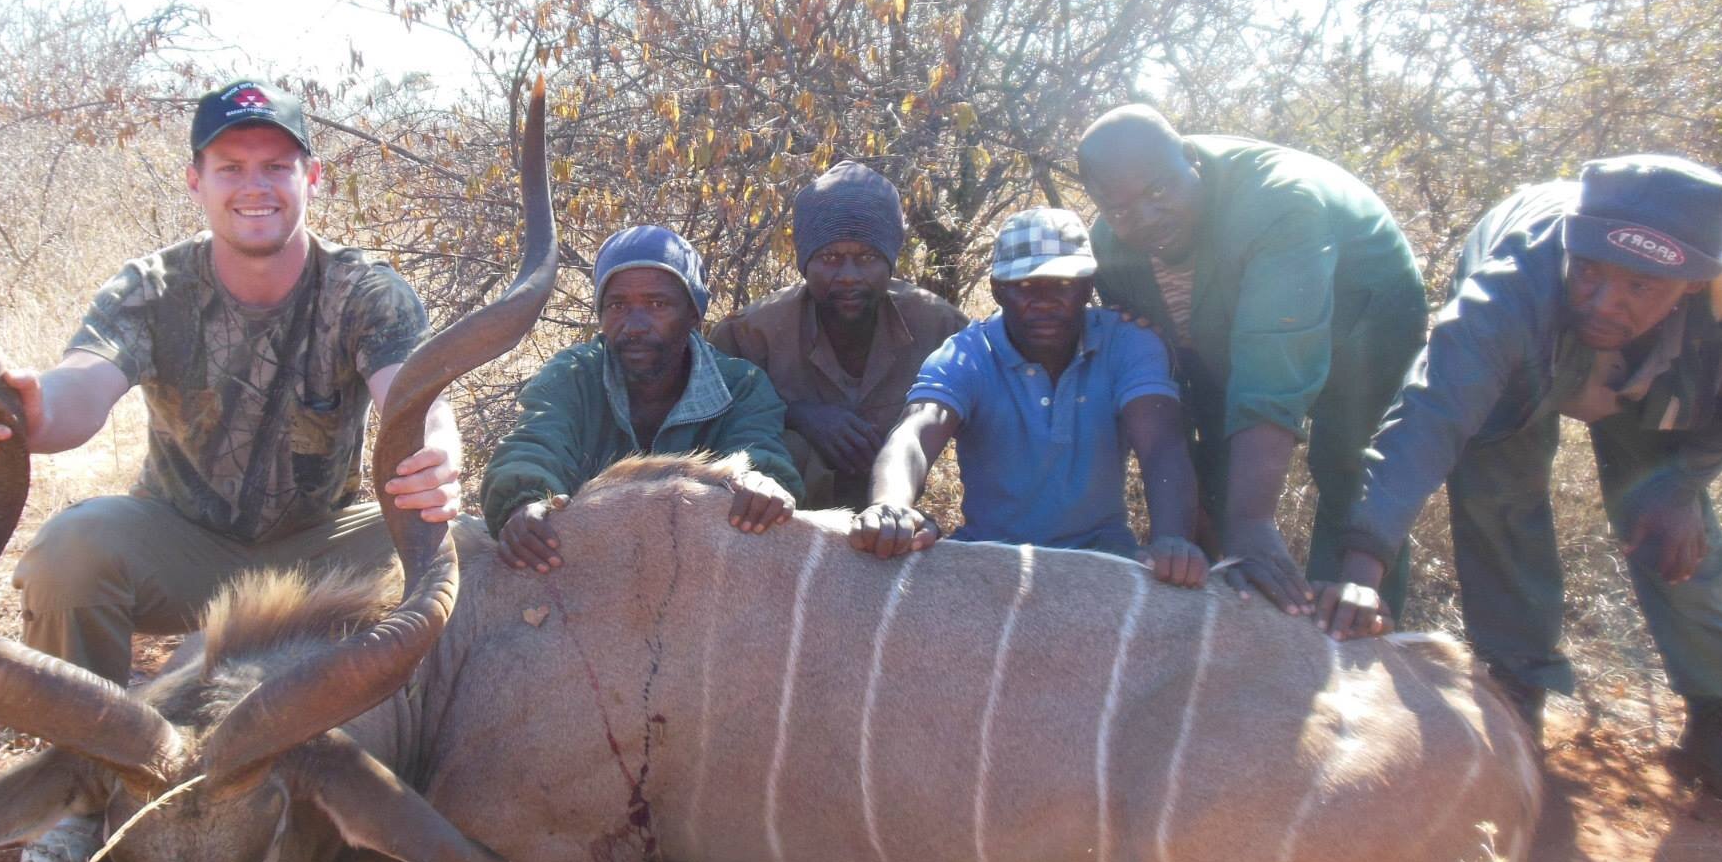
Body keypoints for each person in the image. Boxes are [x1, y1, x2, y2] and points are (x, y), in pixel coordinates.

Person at [0, 79, 463, 862]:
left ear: (311, 179)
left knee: (459, 548)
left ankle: (403, 777)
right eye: (230, 166)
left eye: (276, 166)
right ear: (195, 181)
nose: (254, 185)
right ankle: (89, 793)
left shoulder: (366, 289)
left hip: (319, 556)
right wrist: (20, 411)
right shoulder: (151, 288)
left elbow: (416, 398)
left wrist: (438, 453)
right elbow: (80, 391)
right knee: (69, 551)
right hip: (185, 542)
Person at [1317, 155, 1722, 802]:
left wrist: (1684, 483)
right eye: (1591, 274)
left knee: (1670, 526)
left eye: (1638, 288)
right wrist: (1364, 562)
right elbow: (1433, 412)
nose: (1604, 302)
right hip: (1529, 353)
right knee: (1499, 492)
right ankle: (1520, 684)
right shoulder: (1513, 285)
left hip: (1659, 372)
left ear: (1691, 284)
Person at [1077, 104, 1427, 617]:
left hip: (1366, 311)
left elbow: (1272, 369)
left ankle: (1351, 622)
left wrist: (1253, 522)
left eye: (1157, 192)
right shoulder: (1110, 245)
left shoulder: (1279, 203)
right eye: (1122, 210)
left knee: (1345, 461)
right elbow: (1164, 361)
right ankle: (1234, 611)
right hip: (1227, 322)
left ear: (1191, 160)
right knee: (1218, 458)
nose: (1145, 218)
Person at [850, 207, 1208, 587]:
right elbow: (915, 435)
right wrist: (890, 504)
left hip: (1105, 563)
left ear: (1089, 286)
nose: (1044, 300)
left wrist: (1172, 539)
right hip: (990, 564)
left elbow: (1161, 445)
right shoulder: (967, 354)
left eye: (1063, 284)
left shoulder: (1128, 342)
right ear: (997, 289)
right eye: (1024, 285)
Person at [483, 225, 804, 572]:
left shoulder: (742, 385)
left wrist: (758, 483)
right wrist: (525, 502)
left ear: (693, 314)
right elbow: (535, 442)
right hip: (589, 566)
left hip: (702, 568)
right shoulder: (573, 374)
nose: (635, 325)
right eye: (618, 305)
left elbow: (758, 453)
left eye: (657, 304)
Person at [710, 160, 968, 508]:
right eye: (830, 257)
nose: (848, 275)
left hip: (896, 517)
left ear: (890, 261)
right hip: (783, 521)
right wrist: (797, 414)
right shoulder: (750, 333)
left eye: (867, 257)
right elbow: (712, 419)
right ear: (805, 262)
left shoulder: (939, 326)